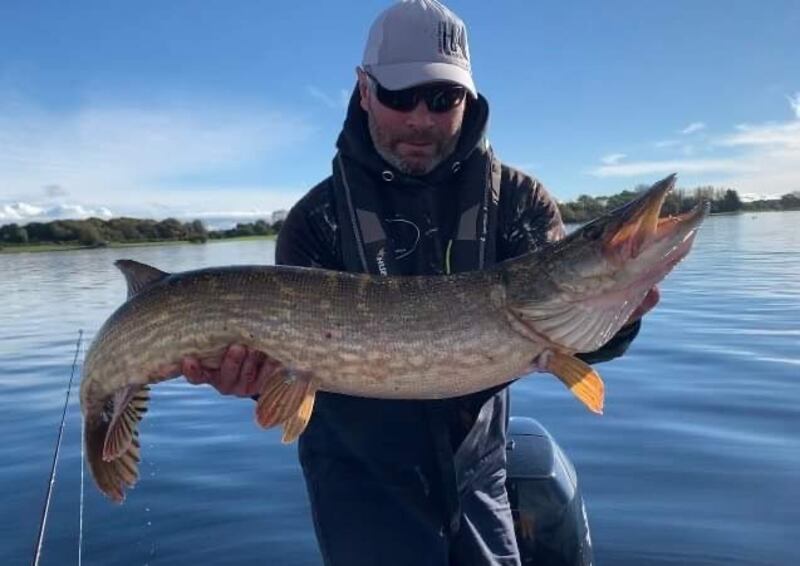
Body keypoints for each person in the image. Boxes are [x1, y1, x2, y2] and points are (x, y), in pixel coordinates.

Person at [175, 1, 658, 564]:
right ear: (363, 90)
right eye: (399, 97)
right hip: (360, 487)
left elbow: (569, 329)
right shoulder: (318, 218)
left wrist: (618, 316)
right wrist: (251, 380)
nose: (420, 119)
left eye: (442, 98)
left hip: (480, 470)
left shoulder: (519, 204)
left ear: (468, 98)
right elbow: (286, 374)